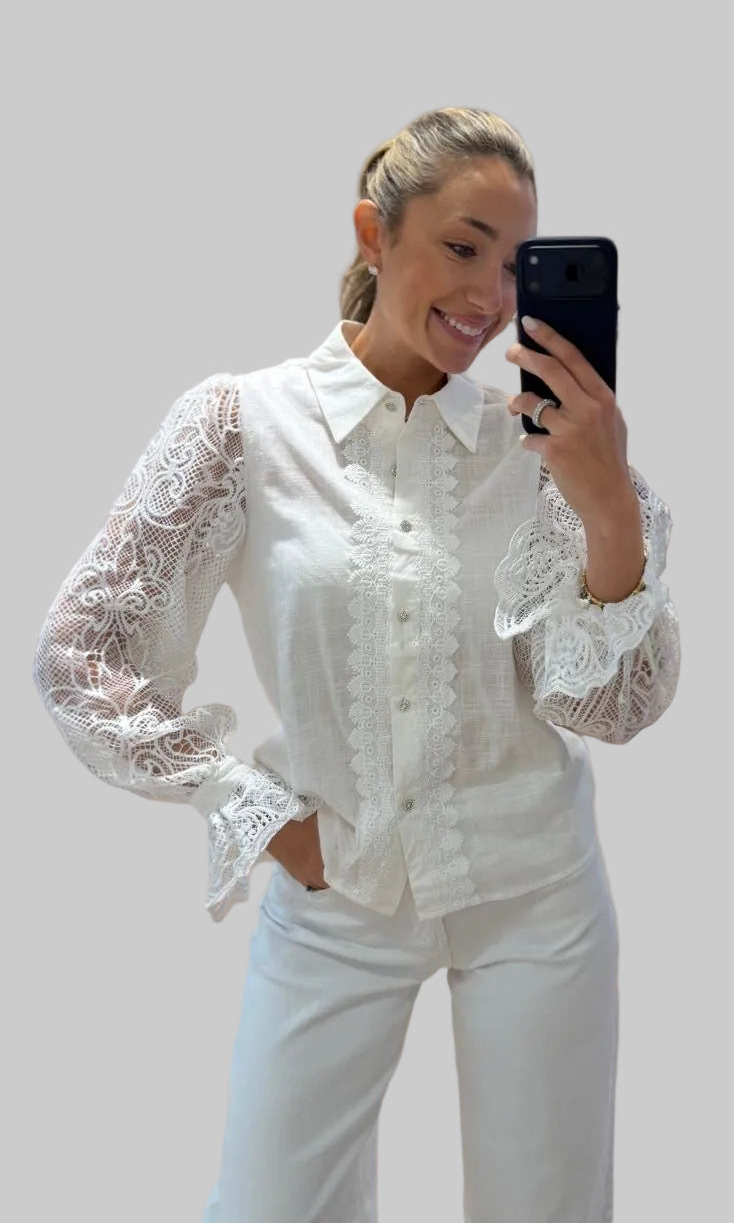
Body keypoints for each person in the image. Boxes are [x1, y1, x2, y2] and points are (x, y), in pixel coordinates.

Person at [32, 105, 681, 1222]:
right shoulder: (242, 426)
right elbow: (80, 647)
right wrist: (255, 811)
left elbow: (610, 706)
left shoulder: (540, 450)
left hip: (536, 892)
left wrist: (608, 505)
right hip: (339, 884)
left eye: (515, 265)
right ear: (375, 234)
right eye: (463, 246)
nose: (489, 295)